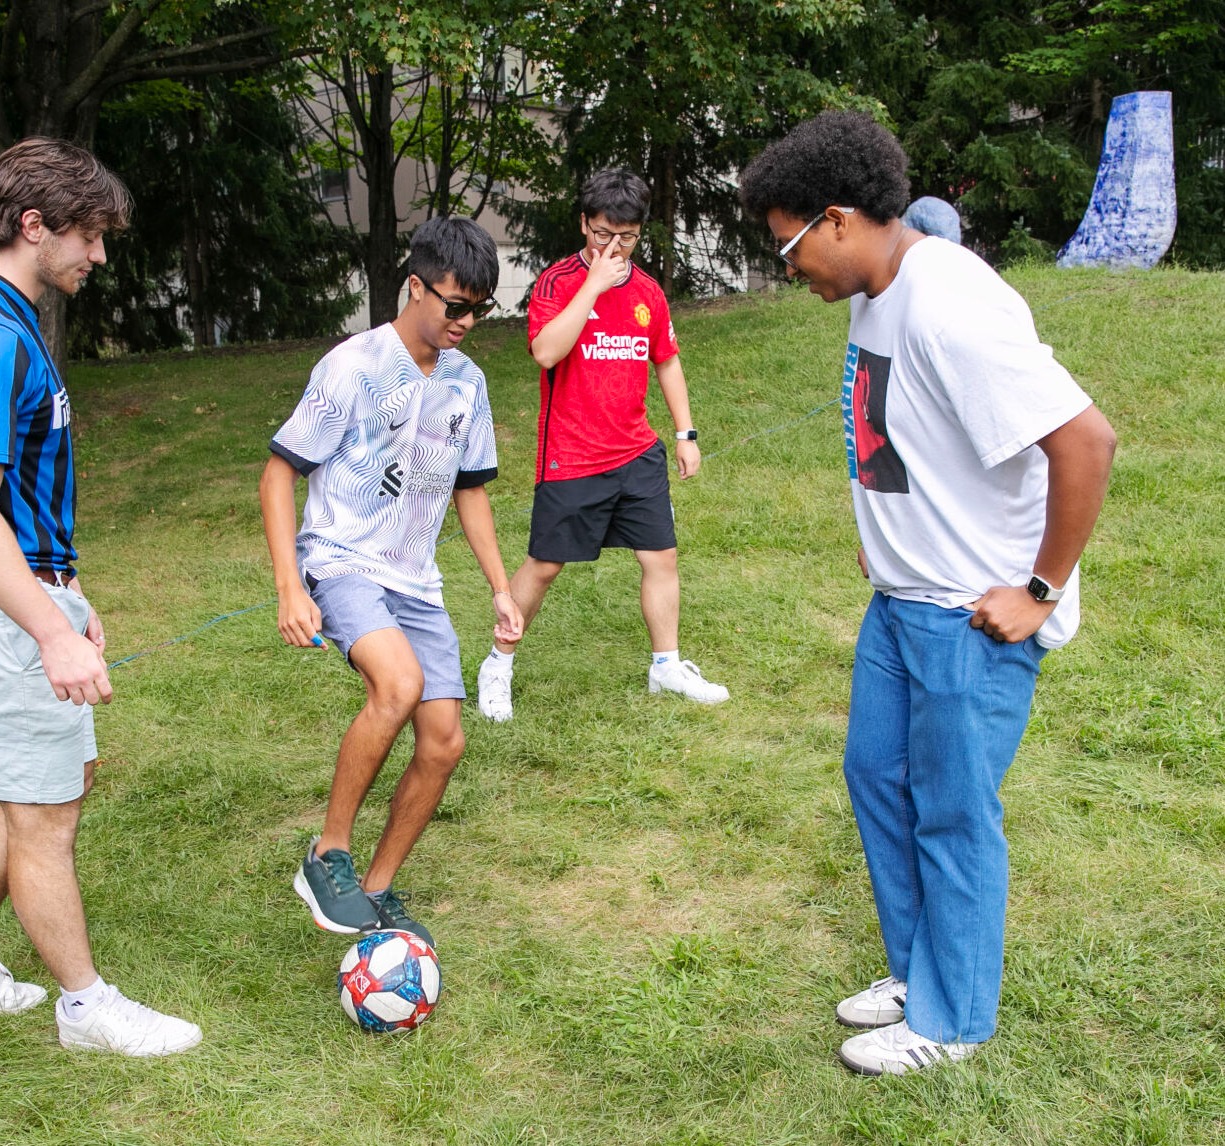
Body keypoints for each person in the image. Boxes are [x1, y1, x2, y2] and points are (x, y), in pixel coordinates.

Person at [739, 111, 1116, 1075]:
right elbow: (898, 424)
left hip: (968, 614)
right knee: (877, 778)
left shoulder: (950, 304)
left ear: (835, 220)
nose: (787, 268)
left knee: (951, 809)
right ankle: (918, 971)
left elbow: (1084, 442)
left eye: (786, 245)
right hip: (903, 598)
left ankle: (951, 1022)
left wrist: (1038, 589)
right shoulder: (880, 288)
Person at [0, 137, 201, 1057]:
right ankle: (86, 1008)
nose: (99, 256)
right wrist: (47, 628)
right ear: (33, 226)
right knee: (44, 814)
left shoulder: (6, 319)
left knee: (53, 784)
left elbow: (17, 495)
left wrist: (68, 594)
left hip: (17, 597)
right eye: (90, 236)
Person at [260, 215, 523, 949]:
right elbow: (280, 474)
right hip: (341, 560)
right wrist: (291, 586)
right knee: (397, 684)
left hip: (416, 580)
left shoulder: (468, 384)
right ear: (414, 287)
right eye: (456, 305)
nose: (468, 322)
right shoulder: (353, 366)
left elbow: (470, 489)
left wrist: (500, 587)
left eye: (481, 309)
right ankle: (326, 856)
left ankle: (373, 891)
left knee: (443, 743)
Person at [475, 168, 727, 722]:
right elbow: (544, 352)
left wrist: (685, 433)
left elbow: (666, 358)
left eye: (628, 238)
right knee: (543, 566)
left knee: (660, 558)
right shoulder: (556, 283)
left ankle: (666, 665)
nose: (615, 247)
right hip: (573, 455)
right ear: (584, 224)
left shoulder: (648, 293)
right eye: (603, 234)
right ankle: (498, 662)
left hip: (636, 451)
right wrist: (593, 284)